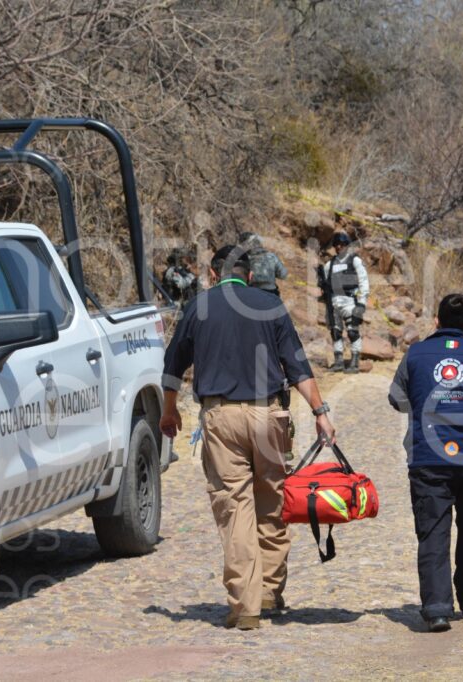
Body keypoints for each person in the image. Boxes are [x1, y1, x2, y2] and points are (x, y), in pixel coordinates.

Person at [161, 245, 336, 631]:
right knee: (272, 499)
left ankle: (246, 607)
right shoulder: (268, 304)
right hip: (268, 414)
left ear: (212, 276)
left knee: (234, 506)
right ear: (251, 276)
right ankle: (272, 593)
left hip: (221, 416)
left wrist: (168, 410)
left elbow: (172, 365)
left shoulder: (199, 306)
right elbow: (297, 364)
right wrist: (320, 413)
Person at [387, 293, 463, 633]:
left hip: (428, 457)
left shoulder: (415, 354)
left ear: (436, 322)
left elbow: (396, 398)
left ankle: (437, 609)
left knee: (433, 529)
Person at [322, 232, 369, 374]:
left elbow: (363, 281)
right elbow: (326, 286)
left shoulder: (355, 261)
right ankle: (339, 361)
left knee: (352, 332)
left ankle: (355, 362)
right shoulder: (329, 265)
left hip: (350, 301)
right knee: (335, 332)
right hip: (334, 303)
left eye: (341, 244)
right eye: (336, 245)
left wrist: (361, 303)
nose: (338, 247)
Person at [239, 231, 288, 296]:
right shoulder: (271, 257)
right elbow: (283, 275)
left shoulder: (243, 260)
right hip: (271, 293)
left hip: (251, 294)